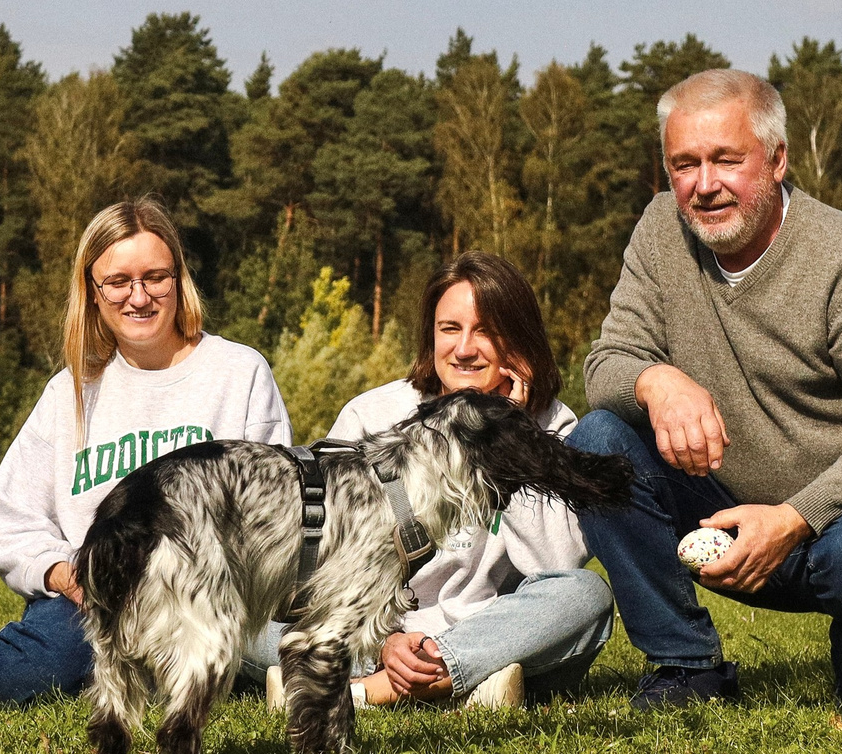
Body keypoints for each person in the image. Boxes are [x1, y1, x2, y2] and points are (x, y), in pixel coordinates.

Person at [568, 68, 842, 710]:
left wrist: (793, 519)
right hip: (719, 512)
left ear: (777, 160)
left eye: (726, 160)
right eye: (684, 164)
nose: (704, 184)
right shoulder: (660, 231)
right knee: (597, 440)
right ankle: (687, 667)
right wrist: (657, 381)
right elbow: (606, 366)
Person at [0, 196, 289, 704]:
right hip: (98, 601)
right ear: (93, 293)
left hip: (207, 600)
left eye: (155, 277)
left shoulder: (239, 373)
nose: (138, 298)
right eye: (118, 282)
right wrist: (65, 574)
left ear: (179, 279)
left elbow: (275, 516)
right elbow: (10, 522)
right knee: (50, 655)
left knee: (283, 645)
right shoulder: (70, 392)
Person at [250, 252, 615, 711]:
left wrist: (512, 436)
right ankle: (466, 683)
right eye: (449, 329)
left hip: (485, 629)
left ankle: (370, 689)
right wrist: (385, 640)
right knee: (243, 605)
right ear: (431, 335)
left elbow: (554, 563)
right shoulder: (372, 415)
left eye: (485, 331)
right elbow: (325, 564)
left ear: (519, 340)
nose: (464, 349)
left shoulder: (552, 424)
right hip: (370, 630)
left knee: (586, 595)